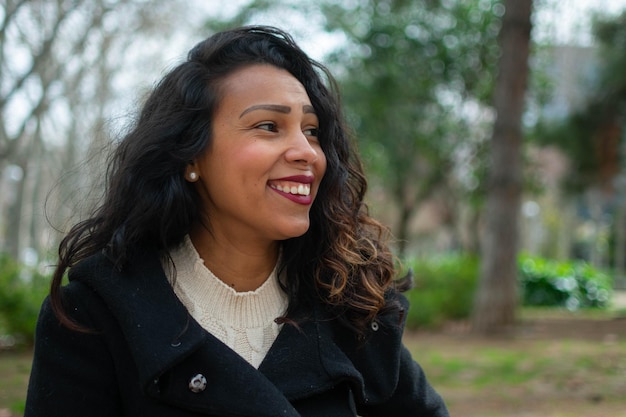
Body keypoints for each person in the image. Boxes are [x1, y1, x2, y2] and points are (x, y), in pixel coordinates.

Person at [25, 25, 449, 417]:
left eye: (313, 130)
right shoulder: (93, 315)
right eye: (269, 126)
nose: (306, 151)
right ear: (192, 155)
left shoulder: (353, 306)